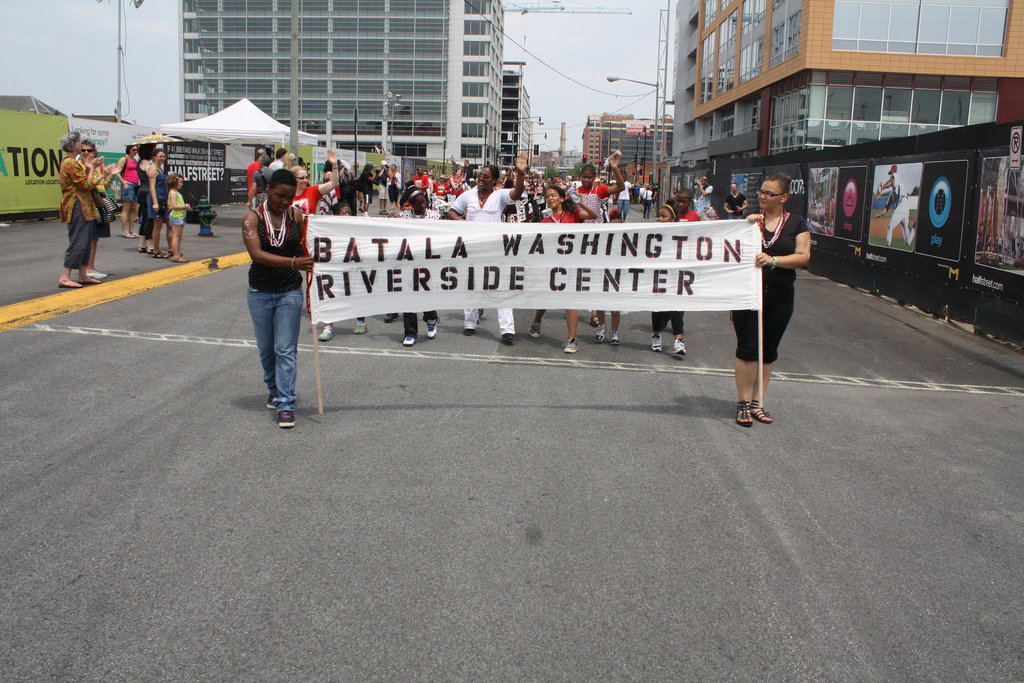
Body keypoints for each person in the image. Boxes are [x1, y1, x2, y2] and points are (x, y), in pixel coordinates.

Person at [732, 173, 811, 427]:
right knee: (747, 348)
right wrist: (744, 225)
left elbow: (803, 257)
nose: (763, 197)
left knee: (768, 351)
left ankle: (758, 403)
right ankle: (743, 402)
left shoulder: (797, 223)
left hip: (780, 294)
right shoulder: (751, 221)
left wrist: (774, 260)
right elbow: (732, 249)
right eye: (761, 192)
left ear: (784, 197)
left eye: (769, 193)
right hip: (747, 293)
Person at [242, 169, 313, 429]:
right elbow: (257, 255)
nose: (285, 202)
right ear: (268, 190)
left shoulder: (295, 216)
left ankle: (286, 403)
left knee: (285, 349)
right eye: (281, 196)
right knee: (266, 348)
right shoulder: (252, 218)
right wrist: (294, 262)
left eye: (290, 197)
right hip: (260, 291)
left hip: (289, 292)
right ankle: (273, 388)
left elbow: (304, 247)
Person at [447, 152, 528, 344]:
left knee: (502, 286)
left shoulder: (499, 196)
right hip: (472, 247)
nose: (481, 179)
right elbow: (451, 211)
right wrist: (462, 222)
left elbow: (516, 193)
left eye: (485, 176)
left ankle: (507, 330)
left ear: (494, 180)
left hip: (496, 248)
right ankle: (469, 322)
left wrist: (521, 173)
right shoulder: (468, 195)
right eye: (479, 176)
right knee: (471, 284)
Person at [527, 185, 597, 352]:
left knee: (569, 300)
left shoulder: (574, 215)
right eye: (547, 197)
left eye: (553, 195)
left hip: (571, 265)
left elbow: (594, 215)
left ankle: (573, 340)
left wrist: (581, 203)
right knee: (546, 296)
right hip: (551, 265)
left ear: (562, 197)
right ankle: (536, 321)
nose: (550, 199)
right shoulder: (544, 222)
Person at [56, 132, 109, 288]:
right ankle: (65, 276)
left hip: (84, 205)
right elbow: (86, 184)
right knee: (78, 241)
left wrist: (90, 169)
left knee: (85, 241)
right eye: (80, 144)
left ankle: (82, 274)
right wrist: (92, 167)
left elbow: (88, 182)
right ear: (74, 145)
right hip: (76, 204)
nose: (83, 148)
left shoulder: (73, 163)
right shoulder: (70, 163)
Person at [317, 198, 369, 341]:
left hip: (354, 268)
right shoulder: (328, 230)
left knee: (358, 295)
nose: (347, 215)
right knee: (330, 296)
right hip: (334, 269)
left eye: (349, 213)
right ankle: (327, 327)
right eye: (343, 213)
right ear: (335, 215)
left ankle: (361, 322)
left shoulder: (358, 228)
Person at [397, 188, 441, 346]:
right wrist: (389, 220)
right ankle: (410, 333)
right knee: (408, 297)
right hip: (408, 263)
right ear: (411, 204)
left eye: (424, 201)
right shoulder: (403, 217)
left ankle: (431, 317)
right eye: (419, 202)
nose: (423, 204)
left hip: (427, 263)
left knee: (424, 295)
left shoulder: (434, 216)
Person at [650, 203, 693, 355]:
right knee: (658, 309)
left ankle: (679, 340)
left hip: (675, 277)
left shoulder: (681, 234)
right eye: (659, 216)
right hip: (658, 277)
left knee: (675, 307)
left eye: (665, 216)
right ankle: (656, 336)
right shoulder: (652, 233)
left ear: (673, 219)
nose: (661, 219)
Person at [875, 164, 916, 249]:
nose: (891, 177)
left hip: (903, 204)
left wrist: (882, 187)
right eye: (890, 175)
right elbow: (886, 208)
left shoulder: (897, 178)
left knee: (890, 226)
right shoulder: (892, 193)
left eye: (891, 175)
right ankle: (915, 225)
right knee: (908, 242)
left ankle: (887, 247)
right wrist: (879, 214)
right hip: (903, 211)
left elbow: (891, 182)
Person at [290, 150, 339, 216]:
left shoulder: (313, 191)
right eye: (302, 178)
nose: (305, 180)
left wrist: (335, 164)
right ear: (293, 179)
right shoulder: (286, 195)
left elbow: (334, 183)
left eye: (307, 177)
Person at [147, 147, 172, 259]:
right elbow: (152, 187)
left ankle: (172, 249)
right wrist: (155, 203)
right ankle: (156, 250)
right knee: (157, 225)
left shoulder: (160, 169)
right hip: (156, 199)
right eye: (160, 156)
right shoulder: (153, 169)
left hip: (163, 198)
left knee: (169, 224)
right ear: (154, 157)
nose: (162, 158)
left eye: (163, 156)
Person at [166, 173, 191, 262]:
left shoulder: (175, 192)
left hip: (180, 216)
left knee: (178, 236)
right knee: (176, 236)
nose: (181, 184)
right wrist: (184, 206)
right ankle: (175, 255)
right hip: (176, 216)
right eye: (180, 182)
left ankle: (178, 253)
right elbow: (173, 206)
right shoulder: (173, 193)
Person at [118, 144, 140, 238]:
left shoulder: (135, 160)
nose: (135, 152)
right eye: (134, 150)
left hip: (135, 185)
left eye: (136, 150)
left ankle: (131, 230)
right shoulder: (124, 159)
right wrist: (124, 183)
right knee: (126, 208)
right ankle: (125, 230)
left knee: (133, 209)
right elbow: (117, 172)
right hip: (128, 184)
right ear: (129, 150)